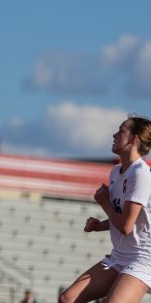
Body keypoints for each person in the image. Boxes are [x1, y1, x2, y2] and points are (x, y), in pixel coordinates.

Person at [59, 115, 151, 303]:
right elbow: (124, 218)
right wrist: (99, 226)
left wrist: (104, 203)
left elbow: (126, 226)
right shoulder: (116, 171)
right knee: (67, 299)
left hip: (142, 259)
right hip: (120, 256)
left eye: (121, 130)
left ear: (134, 139)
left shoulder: (141, 174)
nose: (114, 134)